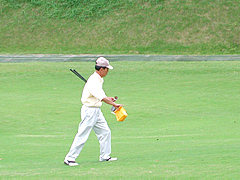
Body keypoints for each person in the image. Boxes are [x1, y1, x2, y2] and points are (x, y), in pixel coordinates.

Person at [64, 57, 123, 166]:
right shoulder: (94, 80)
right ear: (101, 69)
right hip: (89, 111)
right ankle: (70, 158)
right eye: (107, 69)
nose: (107, 71)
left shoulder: (98, 79)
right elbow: (101, 97)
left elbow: (100, 95)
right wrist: (114, 104)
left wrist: (108, 98)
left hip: (96, 111)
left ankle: (105, 156)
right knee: (82, 134)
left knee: (105, 132)